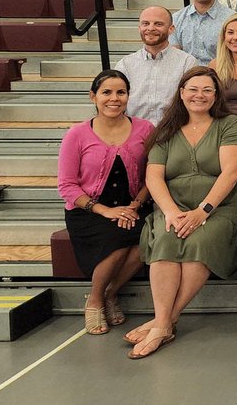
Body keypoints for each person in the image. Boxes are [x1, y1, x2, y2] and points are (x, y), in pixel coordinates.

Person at [129, 67, 237, 358]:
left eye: (207, 90)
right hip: (174, 207)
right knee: (167, 241)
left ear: (216, 95)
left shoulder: (229, 123)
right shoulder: (165, 130)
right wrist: (170, 212)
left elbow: (232, 172)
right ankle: (164, 322)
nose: (200, 95)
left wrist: (202, 211)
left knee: (199, 243)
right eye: (193, 89)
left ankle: (162, 323)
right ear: (181, 93)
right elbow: (154, 177)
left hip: (219, 207)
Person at [58, 69, 153, 335]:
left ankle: (111, 293)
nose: (114, 98)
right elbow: (66, 186)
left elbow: (154, 174)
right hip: (89, 209)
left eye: (120, 92)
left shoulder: (145, 129)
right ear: (93, 97)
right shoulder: (76, 134)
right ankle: (95, 300)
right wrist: (106, 211)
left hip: (135, 205)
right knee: (116, 238)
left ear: (128, 96)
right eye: (106, 92)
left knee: (147, 238)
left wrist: (135, 205)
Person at [114, 6, 198, 126]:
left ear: (171, 29)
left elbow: (194, 103)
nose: (150, 28)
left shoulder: (187, 63)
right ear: (139, 28)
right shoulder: (125, 65)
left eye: (158, 24)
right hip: (134, 134)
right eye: (145, 24)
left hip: (175, 132)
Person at [172, 0, 230, 65]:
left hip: (220, 77)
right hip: (187, 77)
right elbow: (175, 57)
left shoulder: (231, 19)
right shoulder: (176, 19)